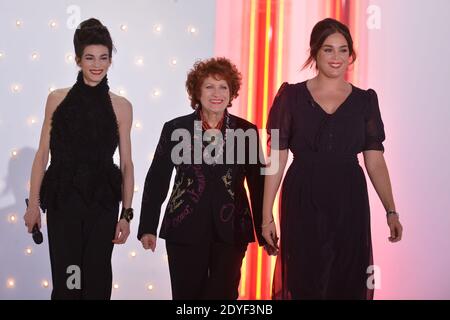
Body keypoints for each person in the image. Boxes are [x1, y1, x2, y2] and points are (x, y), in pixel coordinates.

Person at [262, 18, 403, 300]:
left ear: (351, 54)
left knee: (348, 276)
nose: (336, 57)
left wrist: (391, 210)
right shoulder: (290, 96)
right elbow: (276, 159)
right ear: (314, 52)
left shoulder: (365, 101)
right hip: (302, 195)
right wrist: (267, 216)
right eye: (328, 49)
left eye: (342, 50)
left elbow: (374, 161)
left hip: (349, 198)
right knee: (305, 276)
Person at [23, 18, 134, 300]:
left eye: (103, 57)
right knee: (69, 280)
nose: (97, 64)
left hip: (103, 204)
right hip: (64, 201)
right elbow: (41, 154)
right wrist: (33, 205)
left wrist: (126, 214)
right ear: (78, 60)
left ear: (110, 60)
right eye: (89, 58)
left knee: (97, 282)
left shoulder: (121, 106)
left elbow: (127, 164)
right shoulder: (57, 99)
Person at [138, 57, 265, 300]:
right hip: (184, 229)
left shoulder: (246, 131)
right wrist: (147, 227)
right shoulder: (176, 129)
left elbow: (258, 185)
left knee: (224, 296)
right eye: (209, 86)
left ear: (232, 92)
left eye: (223, 87)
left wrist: (264, 230)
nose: (216, 93)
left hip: (231, 231)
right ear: (197, 91)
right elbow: (157, 179)